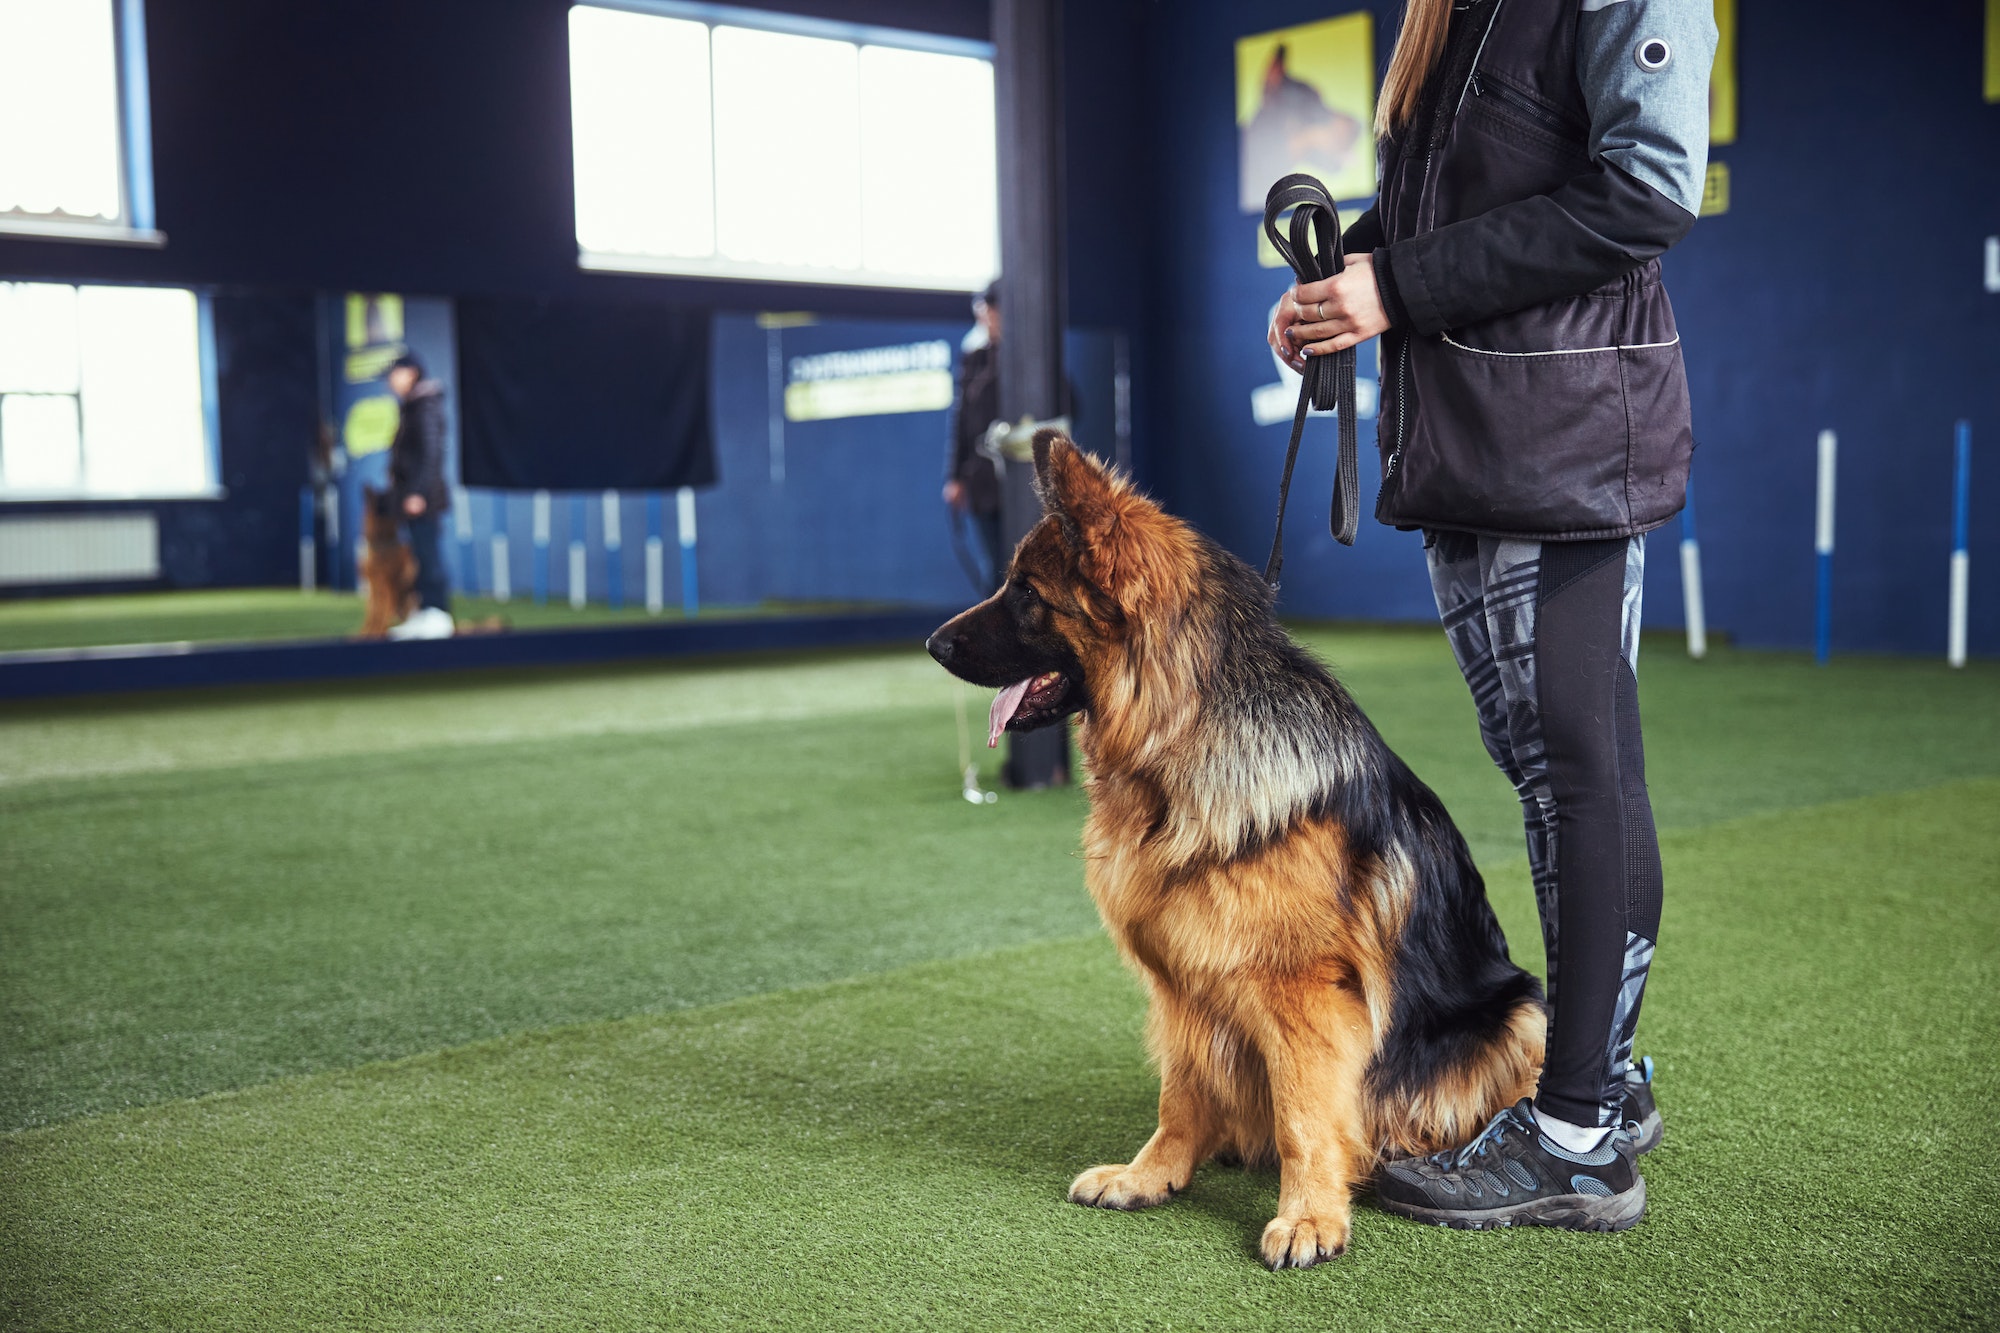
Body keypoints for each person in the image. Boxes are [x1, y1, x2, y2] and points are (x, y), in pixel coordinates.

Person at [1268, 0, 1714, 1229]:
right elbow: (1444, 201)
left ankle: (1576, 1136)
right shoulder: (1446, 16)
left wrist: (1390, 286)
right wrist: (1336, 282)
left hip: (1563, 443)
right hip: (1465, 441)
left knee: (1582, 778)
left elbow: (1644, 195)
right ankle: (1599, 1087)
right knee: (1549, 776)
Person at [384, 353, 454, 639]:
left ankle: (438, 615)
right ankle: (425, 612)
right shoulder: (412, 406)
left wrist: (417, 493)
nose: (390, 380)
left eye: (394, 373)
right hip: (411, 497)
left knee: (428, 556)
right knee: (420, 557)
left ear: (411, 372)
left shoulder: (425, 405)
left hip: (421, 498)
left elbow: (430, 454)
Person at [944, 282, 1007, 593]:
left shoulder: (1030, 355)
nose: (986, 318)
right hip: (983, 484)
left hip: (1021, 483)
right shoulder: (973, 358)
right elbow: (962, 419)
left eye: (991, 311)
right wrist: (954, 477)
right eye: (984, 311)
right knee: (994, 569)